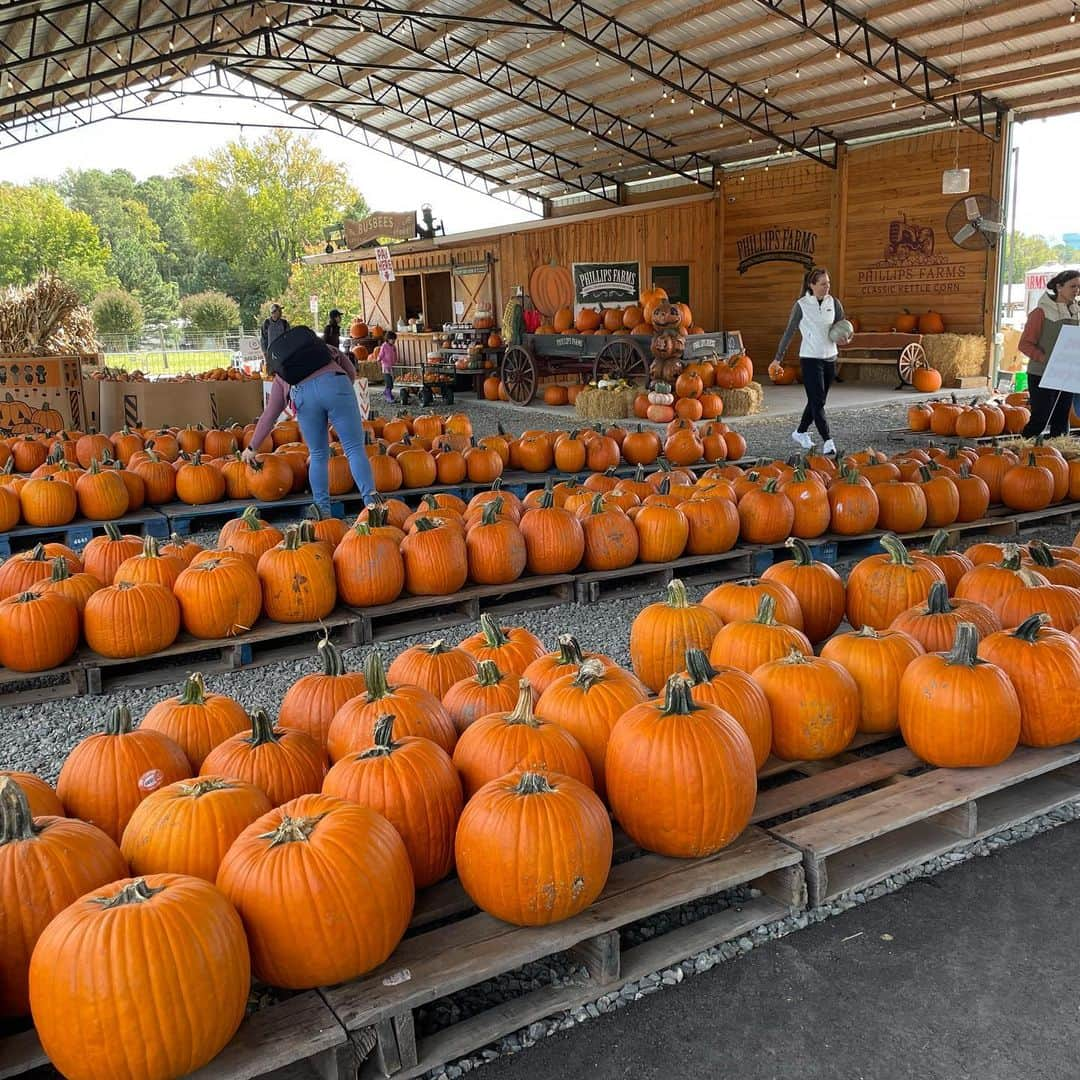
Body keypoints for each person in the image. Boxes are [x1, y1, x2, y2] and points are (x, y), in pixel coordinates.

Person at [243, 333, 374, 514]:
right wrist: (340, 393)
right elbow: (350, 370)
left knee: (318, 454)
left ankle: (322, 511)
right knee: (354, 449)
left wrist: (252, 447)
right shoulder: (324, 349)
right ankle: (372, 504)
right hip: (336, 384)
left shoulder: (283, 372)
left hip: (303, 397)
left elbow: (271, 414)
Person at [771, 266, 851, 456]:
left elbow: (843, 327)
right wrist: (777, 359)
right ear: (811, 285)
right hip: (810, 359)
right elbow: (789, 332)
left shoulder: (834, 303)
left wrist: (846, 339)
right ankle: (828, 440)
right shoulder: (801, 305)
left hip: (831, 359)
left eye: (828, 283)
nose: (827, 287)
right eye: (823, 284)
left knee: (818, 401)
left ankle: (800, 432)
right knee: (817, 402)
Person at [1018, 269, 1080, 438]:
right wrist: (1045, 358)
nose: (1076, 290)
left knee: (1061, 419)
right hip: (1041, 373)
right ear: (1059, 287)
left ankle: (1058, 454)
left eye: (1078, 287)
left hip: (1066, 374)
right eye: (1072, 286)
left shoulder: (1077, 313)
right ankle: (1022, 449)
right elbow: (1024, 344)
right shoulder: (1041, 312)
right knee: (1041, 418)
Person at [378, 331, 398, 403]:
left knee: (392, 382)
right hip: (386, 366)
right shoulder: (384, 346)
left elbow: (395, 355)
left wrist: (395, 361)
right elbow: (381, 354)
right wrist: (379, 359)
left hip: (392, 366)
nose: (393, 341)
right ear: (388, 339)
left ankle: (387, 392)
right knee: (388, 381)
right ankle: (388, 396)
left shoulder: (393, 347)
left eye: (394, 339)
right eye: (392, 339)